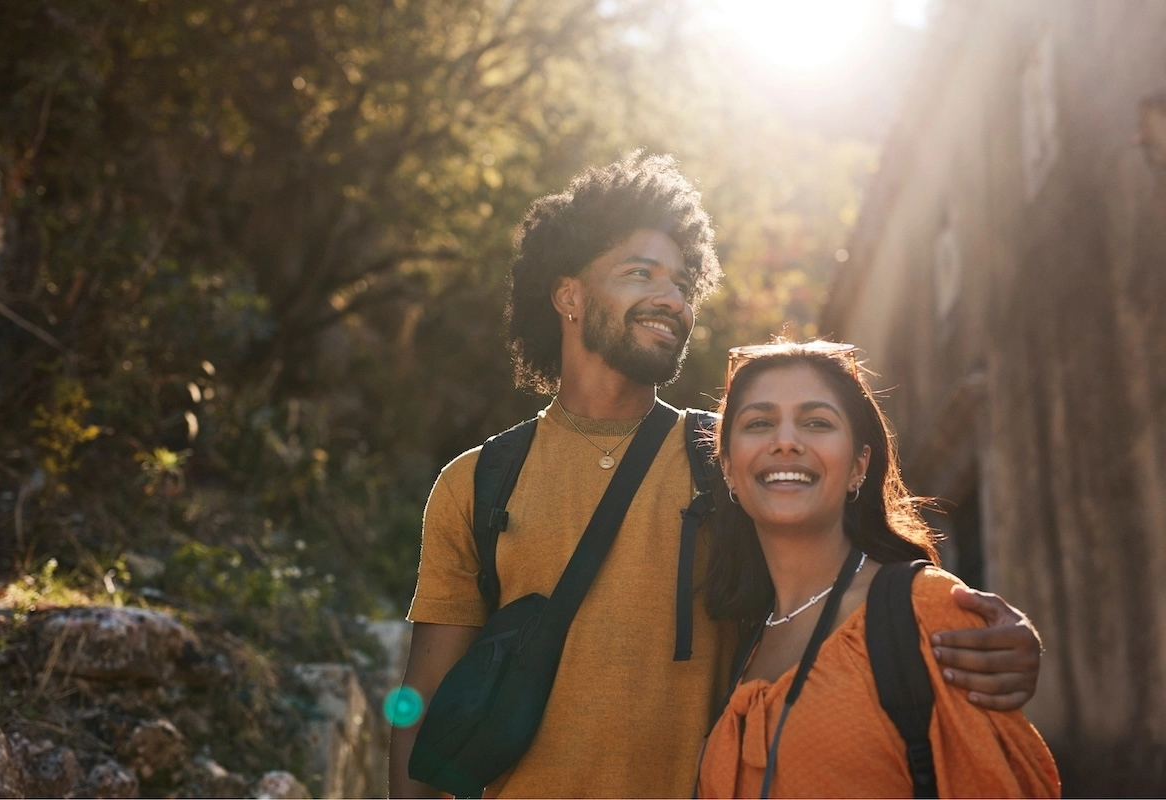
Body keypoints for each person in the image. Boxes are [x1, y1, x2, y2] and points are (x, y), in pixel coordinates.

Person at [389, 153, 1043, 798]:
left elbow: (848, 589)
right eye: (640, 273)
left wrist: (987, 632)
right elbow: (415, 707)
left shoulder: (731, 463)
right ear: (569, 296)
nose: (670, 298)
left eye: (681, 282)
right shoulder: (476, 484)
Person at [697, 339, 1059, 797]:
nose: (785, 441)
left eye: (816, 422)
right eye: (759, 423)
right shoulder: (735, 638)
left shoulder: (922, 610)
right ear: (728, 467)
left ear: (858, 466)